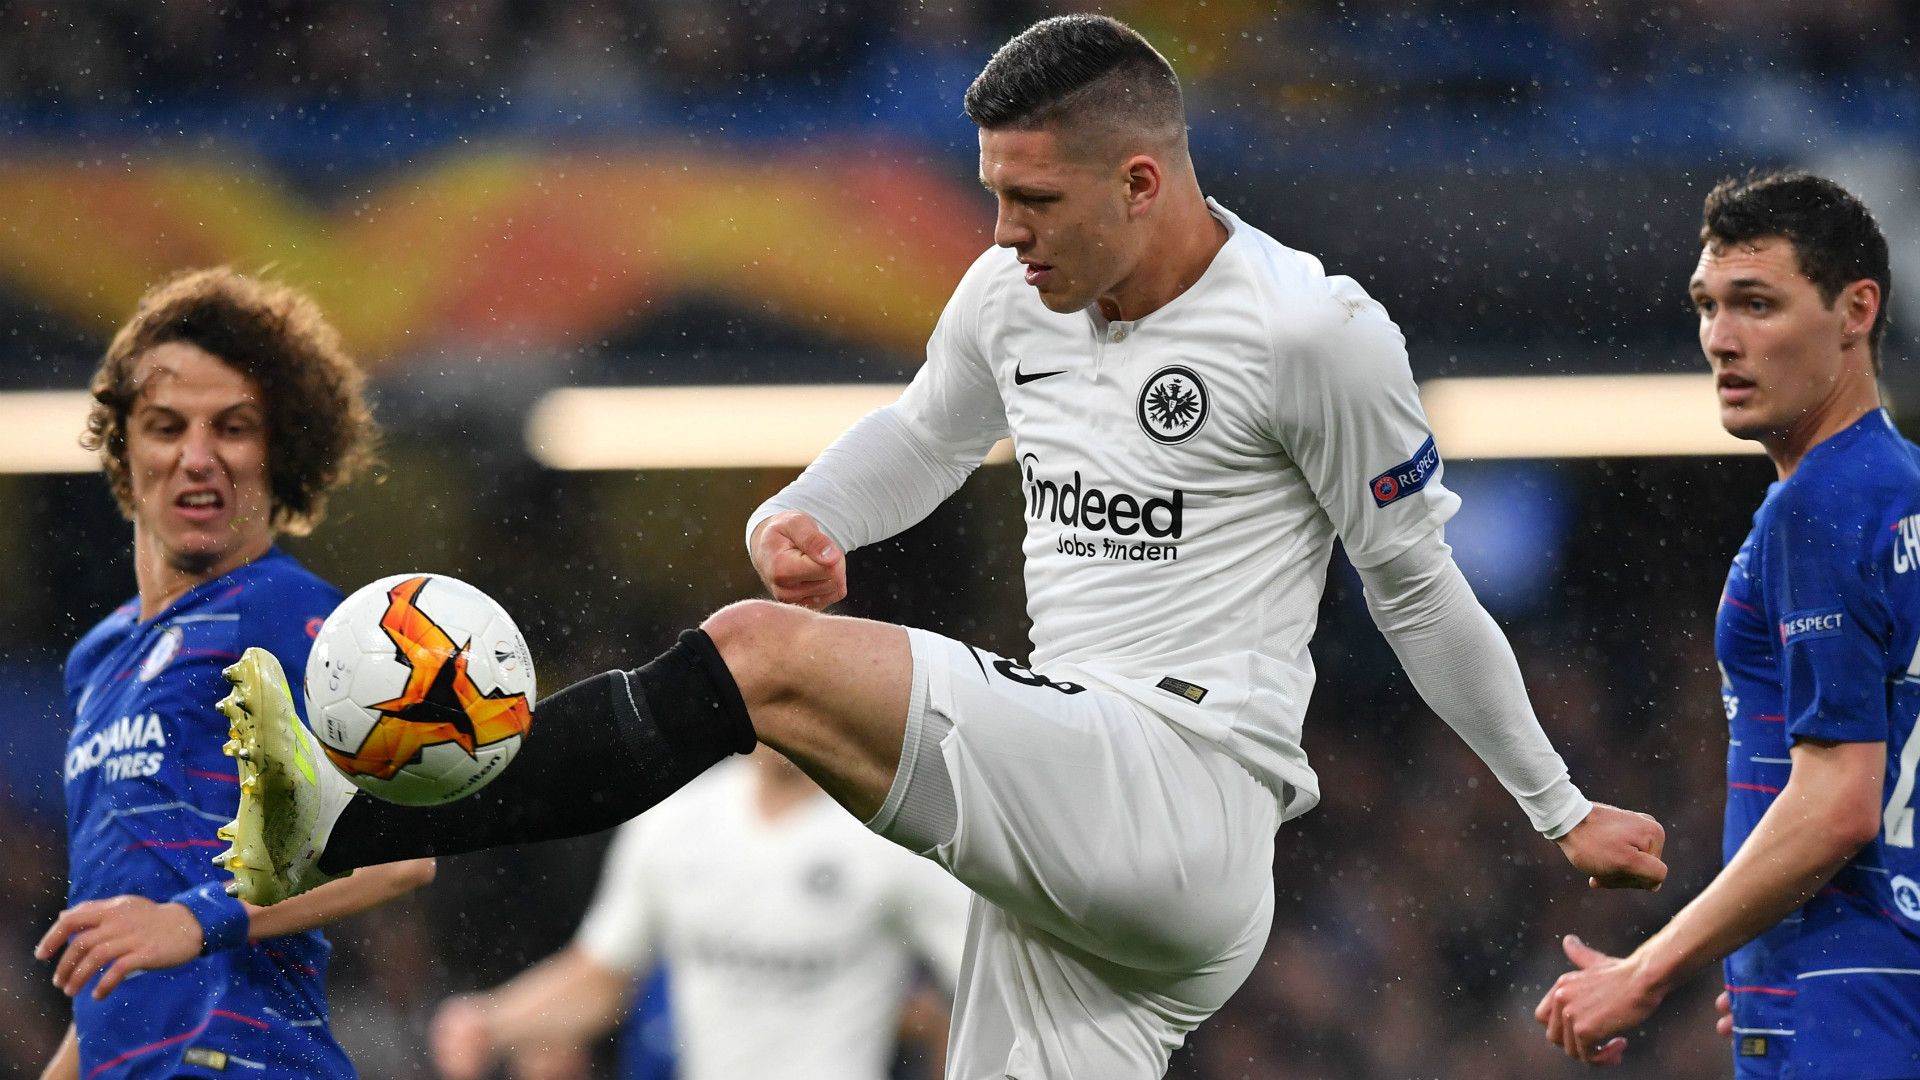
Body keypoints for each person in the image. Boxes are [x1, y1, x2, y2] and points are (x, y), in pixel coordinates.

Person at [220, 16, 1667, 1078]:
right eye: (993, 192)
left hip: (1184, 791)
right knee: (766, 636)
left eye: (1034, 200)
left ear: (1144, 185)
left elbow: (1420, 594)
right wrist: (809, 511)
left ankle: (347, 819)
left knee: (753, 660)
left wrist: (1556, 809)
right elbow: (926, 430)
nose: (1003, 230)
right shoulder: (1009, 291)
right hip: (1080, 849)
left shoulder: (1316, 336)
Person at [1534, 170, 1920, 1074]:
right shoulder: (1901, 494)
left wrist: (1647, 970)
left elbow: (1836, 805)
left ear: (1855, 309)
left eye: (1758, 304)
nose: (1722, 339)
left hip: (1847, 1001)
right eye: (1709, 306)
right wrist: (1761, 949)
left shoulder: (1820, 507)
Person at [33, 268, 437, 1080]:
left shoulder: (293, 615)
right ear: (125, 446)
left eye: (234, 427)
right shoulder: (99, 658)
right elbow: (130, 949)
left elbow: (404, 851)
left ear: (279, 451)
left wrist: (201, 919)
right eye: (165, 425)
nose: (196, 456)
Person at [426, 746, 967, 1080]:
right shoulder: (673, 821)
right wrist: (492, 1021)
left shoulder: (894, 836)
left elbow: (984, 983)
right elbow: (601, 976)